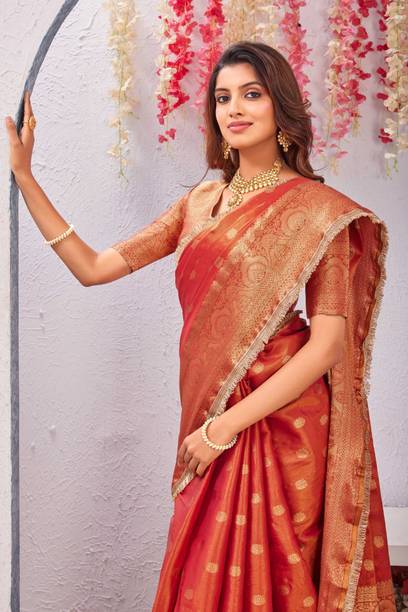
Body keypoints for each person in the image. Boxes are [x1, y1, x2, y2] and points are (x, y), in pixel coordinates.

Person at [5, 41, 395, 611]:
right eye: (222, 97)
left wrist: (223, 428)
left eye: (251, 94)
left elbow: (328, 346)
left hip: (279, 423)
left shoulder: (319, 211)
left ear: (280, 106)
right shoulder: (199, 204)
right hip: (208, 408)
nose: (234, 109)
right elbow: (93, 268)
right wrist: (25, 177)